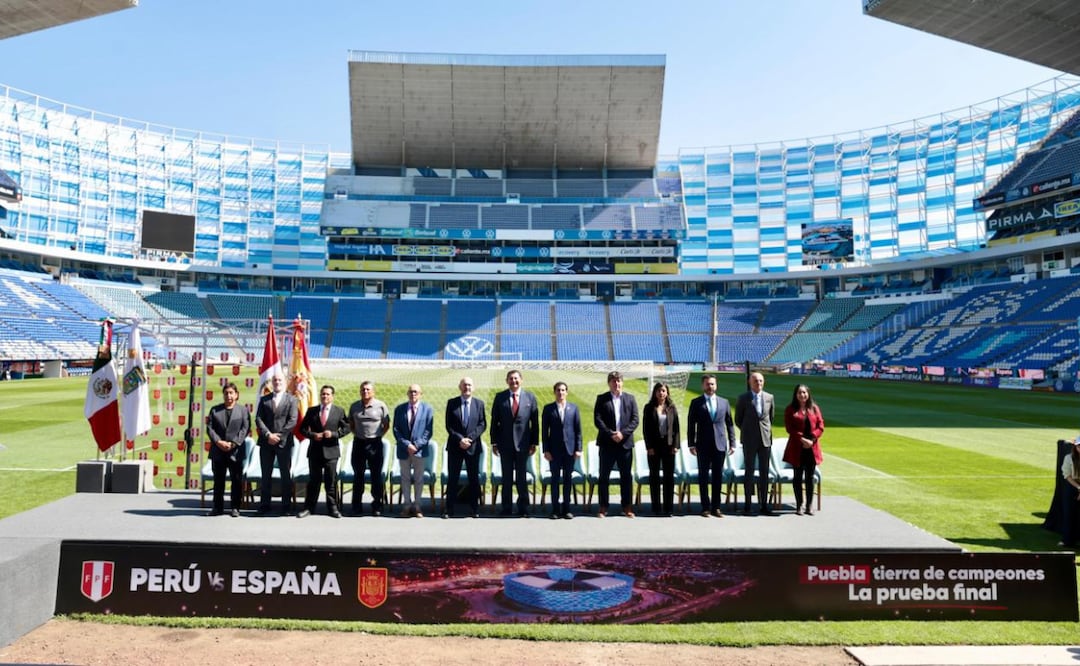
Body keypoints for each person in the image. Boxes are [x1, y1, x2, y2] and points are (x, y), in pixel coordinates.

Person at [490, 369, 539, 517]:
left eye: (516, 379)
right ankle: (506, 508)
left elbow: (535, 423)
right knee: (506, 478)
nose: (514, 381)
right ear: (507, 381)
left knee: (521, 478)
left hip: (523, 445)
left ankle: (523, 508)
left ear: (521, 380)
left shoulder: (530, 397)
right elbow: (494, 422)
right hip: (505, 444)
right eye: (511, 379)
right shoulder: (500, 397)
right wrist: (494, 442)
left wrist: (534, 443)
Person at [298, 385, 350, 519]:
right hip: (315, 452)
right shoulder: (312, 411)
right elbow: (302, 429)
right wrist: (313, 435)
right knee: (314, 481)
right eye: (323, 394)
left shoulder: (339, 411)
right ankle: (309, 508)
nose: (325, 396)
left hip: (331, 452)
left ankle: (333, 508)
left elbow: (347, 428)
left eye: (328, 394)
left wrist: (333, 434)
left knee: (330, 482)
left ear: (332, 396)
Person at [686, 375, 734, 518]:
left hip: (720, 445)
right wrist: (691, 444)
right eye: (707, 384)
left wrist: (733, 443)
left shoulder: (724, 402)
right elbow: (690, 425)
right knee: (703, 477)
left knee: (718, 477)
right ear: (703, 386)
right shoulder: (696, 402)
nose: (710, 387)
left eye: (712, 384)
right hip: (702, 444)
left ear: (716, 386)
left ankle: (716, 507)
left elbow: (729, 424)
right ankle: (705, 507)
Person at [593, 371, 640, 518]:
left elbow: (635, 420)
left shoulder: (630, 399)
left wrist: (623, 434)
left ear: (622, 382)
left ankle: (627, 506)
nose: (616, 384)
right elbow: (597, 419)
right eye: (613, 381)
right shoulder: (602, 399)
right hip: (607, 443)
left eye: (619, 381)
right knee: (604, 476)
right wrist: (610, 434)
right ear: (609, 383)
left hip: (625, 444)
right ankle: (603, 506)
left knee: (626, 477)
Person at [205, 382, 251, 517]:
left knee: (236, 482)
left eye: (231, 393)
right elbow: (210, 428)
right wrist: (219, 442)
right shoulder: (215, 410)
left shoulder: (243, 411)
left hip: (235, 452)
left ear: (236, 395)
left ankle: (235, 507)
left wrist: (234, 443)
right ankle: (217, 508)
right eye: (226, 393)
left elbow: (245, 428)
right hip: (218, 451)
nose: (228, 396)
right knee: (218, 482)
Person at [255, 373, 299, 515]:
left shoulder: (292, 400)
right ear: (271, 383)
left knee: (285, 475)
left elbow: (292, 420)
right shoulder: (264, 399)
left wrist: (280, 436)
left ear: (285, 382)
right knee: (265, 474)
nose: (277, 382)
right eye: (275, 380)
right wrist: (268, 435)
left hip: (284, 442)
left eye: (280, 380)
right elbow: (258, 419)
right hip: (266, 442)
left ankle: (286, 506)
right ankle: (264, 505)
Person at [444, 376, 487, 519]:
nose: (466, 387)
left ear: (473, 387)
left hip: (473, 447)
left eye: (469, 385)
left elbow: (482, 424)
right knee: (452, 479)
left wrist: (470, 438)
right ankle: (449, 509)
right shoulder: (452, 403)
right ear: (460, 387)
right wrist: (460, 439)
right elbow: (448, 425)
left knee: (473, 479)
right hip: (455, 446)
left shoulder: (479, 404)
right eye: (464, 385)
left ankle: (474, 509)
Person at [734, 371, 774, 515]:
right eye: (756, 381)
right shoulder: (743, 398)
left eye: (761, 381)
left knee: (764, 473)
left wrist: (764, 432)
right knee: (749, 472)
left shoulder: (769, 397)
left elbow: (770, 418)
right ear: (750, 382)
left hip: (765, 441)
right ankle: (748, 505)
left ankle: (764, 504)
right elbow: (738, 419)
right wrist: (748, 431)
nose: (759, 383)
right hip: (749, 440)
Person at [347, 381, 390, 516]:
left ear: (373, 392)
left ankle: (377, 505)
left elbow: (386, 424)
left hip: (375, 444)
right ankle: (356, 506)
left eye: (368, 389)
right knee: (358, 475)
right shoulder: (354, 406)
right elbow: (351, 424)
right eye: (363, 389)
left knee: (376, 476)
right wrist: (358, 434)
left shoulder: (381, 406)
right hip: (359, 443)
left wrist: (377, 435)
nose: (365, 392)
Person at [542, 381, 582, 520]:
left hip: (570, 450)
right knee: (554, 480)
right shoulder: (548, 409)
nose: (561, 393)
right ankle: (555, 509)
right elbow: (544, 432)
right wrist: (546, 450)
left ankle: (567, 509)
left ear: (567, 392)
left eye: (563, 390)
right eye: (558, 390)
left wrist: (578, 449)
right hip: (554, 451)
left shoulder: (574, 408)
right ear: (554, 392)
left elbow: (578, 431)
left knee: (567, 480)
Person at [782, 384, 825, 516]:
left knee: (809, 477)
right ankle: (799, 504)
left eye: (804, 393)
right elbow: (789, 428)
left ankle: (809, 505)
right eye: (800, 393)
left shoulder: (814, 408)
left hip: (811, 448)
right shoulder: (790, 409)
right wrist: (802, 439)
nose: (802, 395)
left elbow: (821, 426)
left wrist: (812, 439)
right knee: (797, 477)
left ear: (808, 394)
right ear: (796, 395)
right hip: (797, 447)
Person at [393, 384, 433, 518]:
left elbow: (428, 431)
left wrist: (416, 445)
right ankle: (406, 505)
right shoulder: (399, 409)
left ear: (421, 394)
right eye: (410, 392)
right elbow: (396, 430)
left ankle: (417, 506)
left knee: (418, 479)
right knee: (405, 478)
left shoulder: (427, 409)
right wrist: (407, 445)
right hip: (404, 450)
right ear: (407, 393)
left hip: (419, 451)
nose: (413, 394)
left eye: (415, 392)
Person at [642, 381, 681, 516]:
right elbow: (645, 429)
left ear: (667, 392)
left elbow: (676, 428)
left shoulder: (671, 407)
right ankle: (656, 507)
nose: (661, 393)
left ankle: (668, 508)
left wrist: (676, 446)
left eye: (663, 390)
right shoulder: (649, 407)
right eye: (659, 390)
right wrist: (649, 446)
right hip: (654, 446)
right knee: (654, 477)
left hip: (668, 446)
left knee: (668, 478)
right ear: (655, 392)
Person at [1059, 438, 1080, 548]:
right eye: (1079, 446)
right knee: (1069, 514)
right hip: (1072, 486)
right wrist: (1078, 487)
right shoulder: (1069, 458)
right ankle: (1067, 540)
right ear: (1075, 447)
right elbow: (1067, 475)